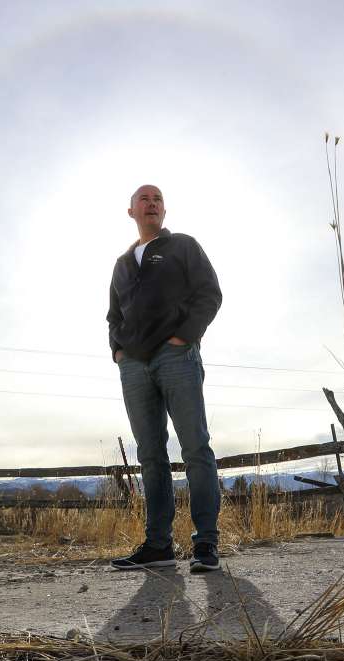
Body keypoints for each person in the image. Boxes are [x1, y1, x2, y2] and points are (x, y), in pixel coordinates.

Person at [106, 184, 223, 573]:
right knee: (150, 455)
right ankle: (158, 545)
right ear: (131, 211)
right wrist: (119, 351)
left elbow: (210, 294)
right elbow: (113, 315)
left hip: (176, 357)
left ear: (164, 210)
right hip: (134, 366)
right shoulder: (122, 264)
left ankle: (205, 543)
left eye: (157, 199)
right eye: (144, 198)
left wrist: (183, 337)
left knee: (195, 448)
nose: (152, 203)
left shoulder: (183, 246)